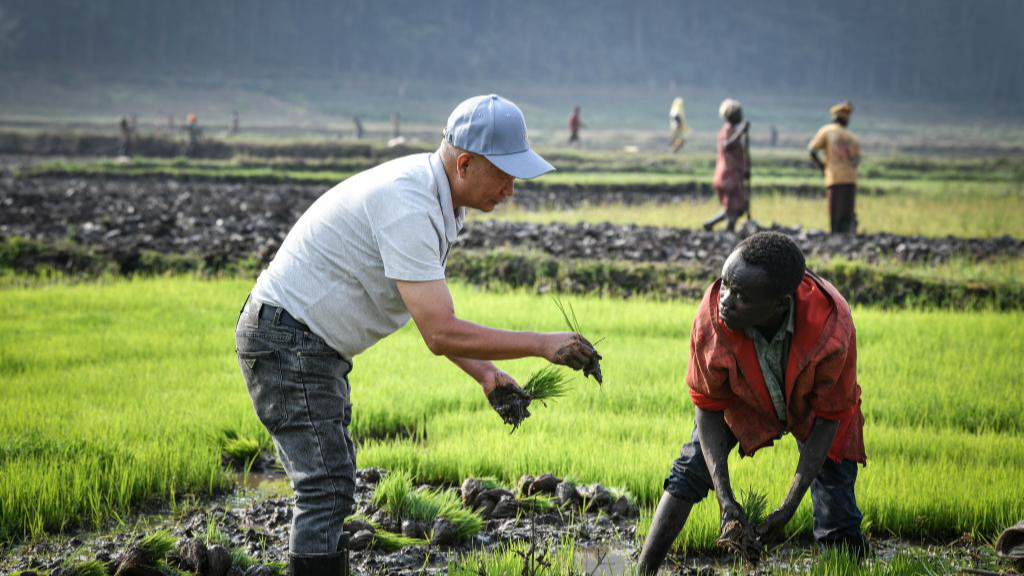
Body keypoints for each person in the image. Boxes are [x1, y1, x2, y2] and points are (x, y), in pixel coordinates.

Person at [235, 94, 603, 576]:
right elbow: (440, 330)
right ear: (466, 163)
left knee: (330, 481)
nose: (511, 189)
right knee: (325, 486)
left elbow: (423, 312)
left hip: (306, 344)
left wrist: (487, 374)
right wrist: (543, 344)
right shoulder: (408, 205)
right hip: (289, 341)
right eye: (505, 174)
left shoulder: (438, 199)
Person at [637, 232, 868, 574]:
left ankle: (848, 565)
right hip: (745, 398)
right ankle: (642, 570)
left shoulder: (831, 327)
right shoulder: (712, 320)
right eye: (726, 284)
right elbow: (709, 405)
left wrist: (789, 507)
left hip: (812, 407)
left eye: (741, 296)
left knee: (838, 517)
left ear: (780, 304)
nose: (725, 300)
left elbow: (829, 417)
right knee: (690, 468)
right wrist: (725, 498)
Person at [809, 101, 861, 234]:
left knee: (835, 214)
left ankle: (835, 239)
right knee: (847, 213)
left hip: (835, 177)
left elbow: (812, 150)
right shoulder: (852, 137)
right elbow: (857, 160)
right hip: (851, 179)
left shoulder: (827, 131)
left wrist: (823, 167)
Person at [703, 99, 749, 232]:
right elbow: (727, 145)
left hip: (732, 174)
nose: (741, 116)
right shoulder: (728, 130)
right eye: (739, 114)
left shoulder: (732, 130)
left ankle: (712, 225)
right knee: (734, 208)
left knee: (734, 209)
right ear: (732, 116)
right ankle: (728, 231)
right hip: (728, 176)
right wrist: (741, 132)